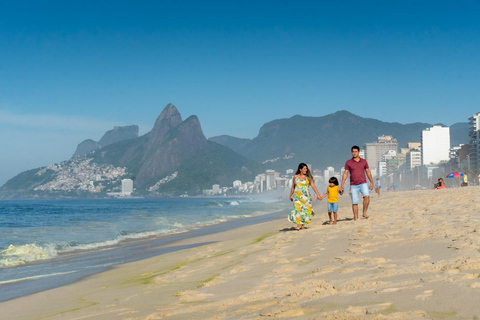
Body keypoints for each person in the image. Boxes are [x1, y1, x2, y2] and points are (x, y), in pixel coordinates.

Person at [341, 145, 374, 220]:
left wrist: (371, 182)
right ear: (351, 152)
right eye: (353, 152)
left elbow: (368, 172)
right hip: (353, 185)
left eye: (356, 152)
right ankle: (356, 217)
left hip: (363, 183)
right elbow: (345, 173)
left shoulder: (364, 161)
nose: (354, 153)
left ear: (358, 152)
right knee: (355, 202)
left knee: (367, 197)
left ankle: (364, 212)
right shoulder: (348, 162)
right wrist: (342, 183)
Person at [289, 163, 322, 230]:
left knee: (305, 211)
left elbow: (313, 186)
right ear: (300, 169)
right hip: (297, 197)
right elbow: (293, 186)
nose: (306, 170)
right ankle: (298, 225)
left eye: (306, 168)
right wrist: (290, 195)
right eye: (304, 169)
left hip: (305, 197)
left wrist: (318, 195)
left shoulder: (308, 177)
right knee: (298, 210)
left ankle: (303, 225)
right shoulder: (295, 177)